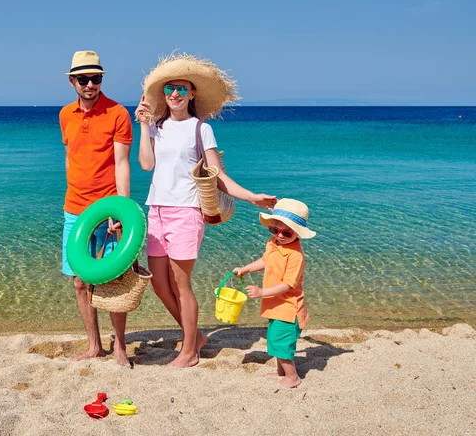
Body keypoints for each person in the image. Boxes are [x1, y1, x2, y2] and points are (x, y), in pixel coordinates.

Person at [135, 53, 277, 368]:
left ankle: (189, 352)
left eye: (182, 89)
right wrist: (143, 126)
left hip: (186, 212)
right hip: (157, 211)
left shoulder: (201, 129)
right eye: (170, 88)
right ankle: (195, 335)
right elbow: (146, 165)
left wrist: (252, 197)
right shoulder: (157, 127)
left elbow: (218, 176)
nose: (174, 94)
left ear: (193, 93)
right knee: (159, 284)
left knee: (180, 283)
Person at [59, 50, 133, 366]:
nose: (91, 84)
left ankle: (120, 347)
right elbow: (70, 157)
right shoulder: (65, 115)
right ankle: (94, 346)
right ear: (73, 81)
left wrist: (122, 211)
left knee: (114, 280)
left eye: (97, 78)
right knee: (79, 281)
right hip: (74, 210)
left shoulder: (117, 113)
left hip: (107, 209)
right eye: (85, 78)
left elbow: (122, 164)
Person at [233, 198, 316, 388]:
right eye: (274, 230)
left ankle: (293, 377)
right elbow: (265, 261)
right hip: (275, 306)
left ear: (297, 233)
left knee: (281, 343)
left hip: (288, 308)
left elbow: (288, 285)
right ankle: (282, 372)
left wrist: (262, 292)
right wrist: (246, 269)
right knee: (274, 338)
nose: (279, 235)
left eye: (286, 233)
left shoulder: (295, 256)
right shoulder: (274, 243)